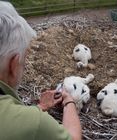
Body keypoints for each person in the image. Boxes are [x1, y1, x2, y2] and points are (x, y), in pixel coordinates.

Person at [0, 1, 82, 140]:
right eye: (23, 60)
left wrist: (41, 106)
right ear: (13, 64)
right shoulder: (35, 124)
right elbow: (73, 137)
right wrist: (69, 101)